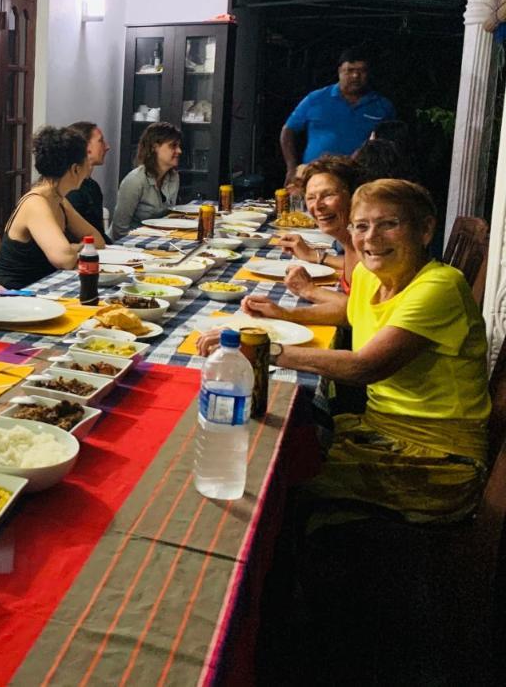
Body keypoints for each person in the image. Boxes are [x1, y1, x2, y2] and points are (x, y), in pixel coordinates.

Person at [199, 179, 490, 523]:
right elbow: (350, 311)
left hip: (436, 460)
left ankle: (300, 566)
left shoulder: (440, 285)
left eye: (389, 224)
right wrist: (285, 313)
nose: (371, 238)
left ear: (425, 230)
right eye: (361, 226)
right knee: (278, 448)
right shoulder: (372, 273)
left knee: (273, 479)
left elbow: (366, 366)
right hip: (378, 427)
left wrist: (262, 348)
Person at [0, 127, 106, 289]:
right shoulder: (36, 203)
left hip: (38, 291)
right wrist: (79, 247)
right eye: (86, 159)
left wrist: (75, 247)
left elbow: (98, 240)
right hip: (9, 296)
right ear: (75, 169)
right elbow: (64, 259)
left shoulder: (59, 200)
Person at [280, 47, 395, 184]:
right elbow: (288, 131)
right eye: (350, 70)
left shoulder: (382, 106)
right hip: (316, 176)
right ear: (339, 71)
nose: (355, 76)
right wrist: (291, 167)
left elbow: (390, 145)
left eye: (361, 71)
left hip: (362, 178)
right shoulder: (315, 99)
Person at [277, 154, 364, 312]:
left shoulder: (369, 246)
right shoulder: (351, 244)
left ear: (353, 195)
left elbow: (361, 311)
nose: (317, 205)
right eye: (310, 198)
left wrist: (309, 290)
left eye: (328, 195)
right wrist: (314, 255)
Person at [111, 122, 182, 239]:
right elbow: (119, 230)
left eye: (179, 146)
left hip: (158, 239)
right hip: (130, 244)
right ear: (154, 147)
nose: (179, 151)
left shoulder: (174, 177)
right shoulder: (135, 181)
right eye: (173, 146)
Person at [63, 120, 111, 243]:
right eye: (100, 141)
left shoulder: (93, 187)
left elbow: (99, 234)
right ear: (85, 147)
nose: (107, 147)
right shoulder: (71, 191)